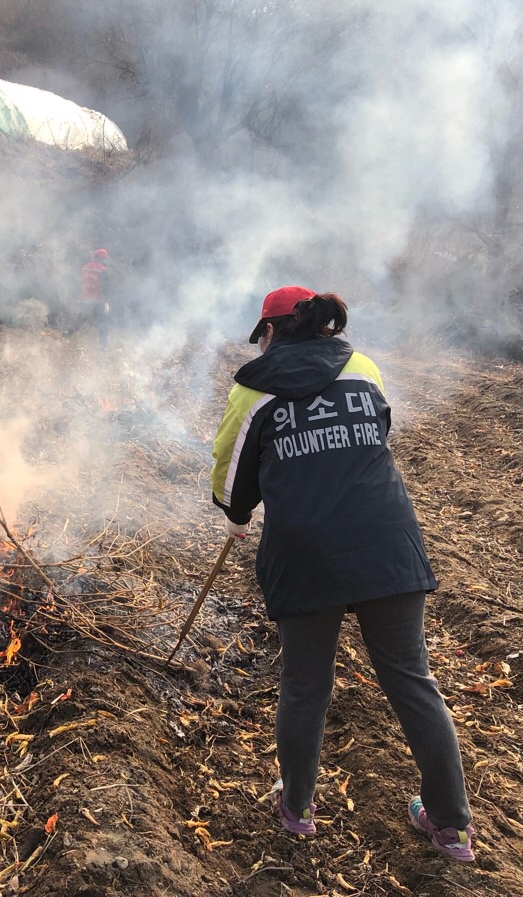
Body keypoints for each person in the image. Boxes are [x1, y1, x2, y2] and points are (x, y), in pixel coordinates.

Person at [210, 286, 476, 861]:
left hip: (306, 554)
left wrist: (236, 515)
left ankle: (297, 809)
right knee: (412, 682)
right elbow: (375, 436)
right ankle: (452, 827)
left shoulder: (253, 389)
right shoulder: (363, 368)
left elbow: (232, 482)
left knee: (305, 686)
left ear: (270, 332)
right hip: (387, 542)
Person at [79, 248, 111, 349]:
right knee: (103, 323)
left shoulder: (85, 268)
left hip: (84, 300)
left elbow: (80, 283)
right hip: (97, 301)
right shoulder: (102, 270)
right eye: (105, 259)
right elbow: (105, 288)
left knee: (80, 321)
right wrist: (106, 303)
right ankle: (102, 346)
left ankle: (67, 338)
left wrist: (78, 298)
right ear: (102, 259)